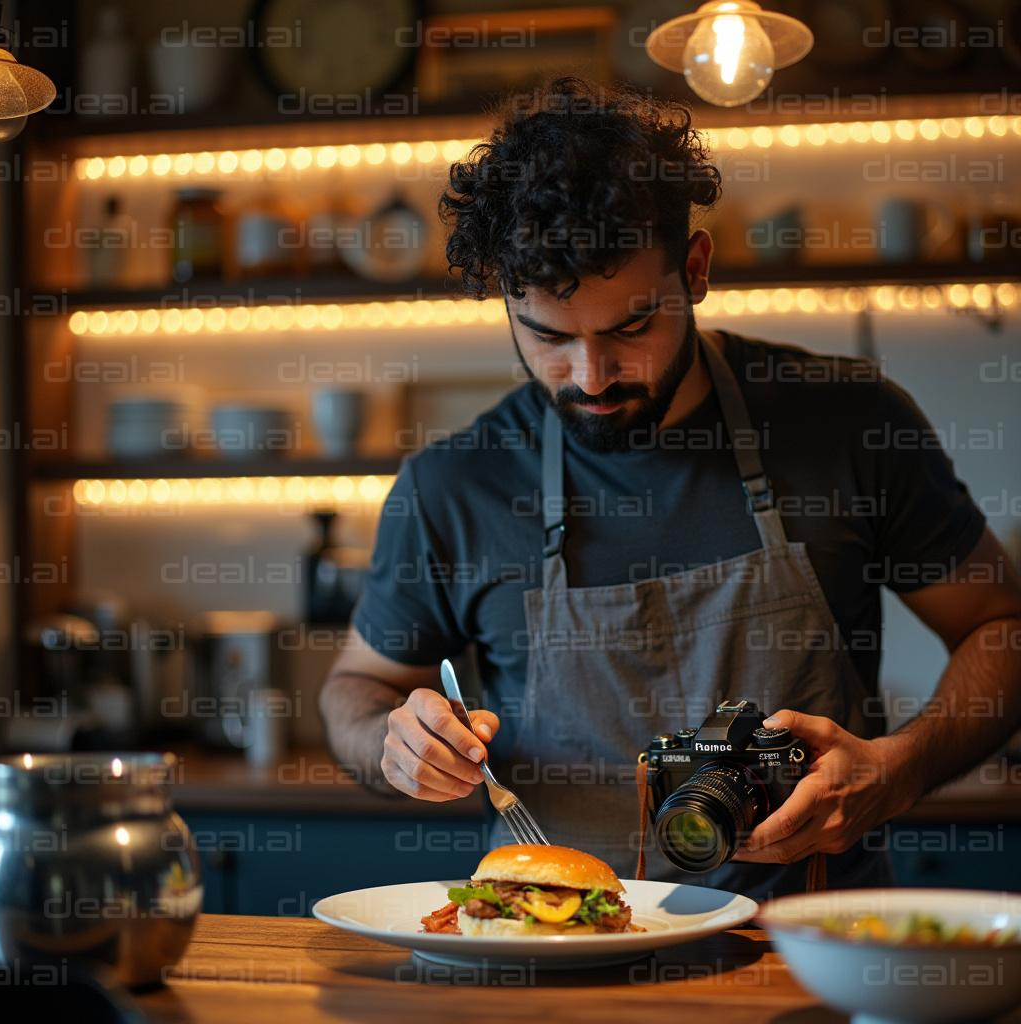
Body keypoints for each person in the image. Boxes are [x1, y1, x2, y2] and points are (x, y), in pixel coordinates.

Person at [319, 77, 1021, 900]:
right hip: (549, 940)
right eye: (547, 336)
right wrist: (392, 743)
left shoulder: (850, 421)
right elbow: (355, 690)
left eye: (631, 328)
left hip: (805, 939)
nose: (590, 376)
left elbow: (1001, 629)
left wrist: (895, 772)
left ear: (694, 270)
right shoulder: (453, 485)